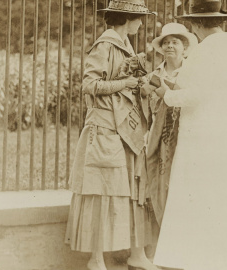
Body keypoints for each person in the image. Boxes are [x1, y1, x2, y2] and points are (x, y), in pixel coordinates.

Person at [64, 1, 160, 270]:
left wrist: (141, 84)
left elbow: (126, 87)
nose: (141, 24)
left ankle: (137, 255)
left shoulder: (125, 45)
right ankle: (96, 260)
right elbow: (89, 84)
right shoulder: (105, 45)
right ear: (127, 18)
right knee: (102, 192)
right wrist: (125, 83)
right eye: (139, 19)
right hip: (105, 128)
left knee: (132, 190)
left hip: (126, 129)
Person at [150, 0, 227, 269]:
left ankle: (191, 259)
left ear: (200, 23)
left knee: (196, 192)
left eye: (192, 23)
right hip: (225, 123)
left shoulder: (207, 50)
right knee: (218, 195)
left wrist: (165, 94)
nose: (193, 28)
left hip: (205, 129)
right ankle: (215, 259)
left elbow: (196, 95)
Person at [141, 22, 198, 258]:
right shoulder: (153, 76)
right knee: (158, 185)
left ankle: (183, 245)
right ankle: (161, 245)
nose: (170, 46)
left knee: (184, 188)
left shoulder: (193, 73)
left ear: (185, 47)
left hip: (186, 135)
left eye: (175, 42)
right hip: (159, 137)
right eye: (166, 42)